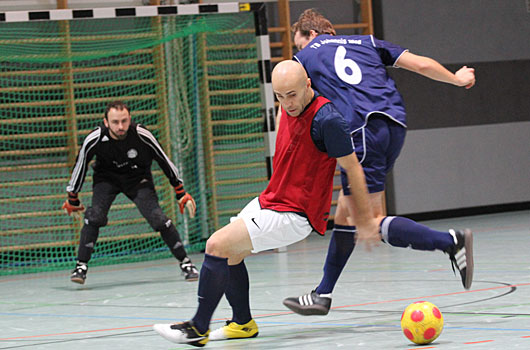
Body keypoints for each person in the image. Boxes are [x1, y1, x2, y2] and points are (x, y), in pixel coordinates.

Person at [152, 60, 379, 347]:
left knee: (216, 246)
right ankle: (242, 323)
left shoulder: (328, 120)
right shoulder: (285, 108)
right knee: (231, 255)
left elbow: (353, 168)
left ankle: (198, 328)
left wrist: (366, 218)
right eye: (280, 96)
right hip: (270, 201)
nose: (286, 103)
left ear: (308, 85)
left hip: (295, 214)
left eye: (292, 95)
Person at [282, 9, 476, 316]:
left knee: (368, 222)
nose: (299, 50)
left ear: (311, 36)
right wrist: (457, 79)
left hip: (360, 132)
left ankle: (450, 241)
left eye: (299, 43)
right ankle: (323, 294)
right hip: (394, 125)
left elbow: (291, 92)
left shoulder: (305, 57)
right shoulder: (367, 41)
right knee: (347, 214)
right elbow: (421, 64)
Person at [62, 101, 199, 284]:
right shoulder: (94, 138)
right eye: (115, 122)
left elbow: (163, 159)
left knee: (158, 218)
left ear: (130, 119)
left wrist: (180, 192)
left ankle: (186, 263)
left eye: (124, 121)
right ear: (106, 122)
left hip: (138, 180)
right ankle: (81, 267)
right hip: (106, 180)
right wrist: (72, 197)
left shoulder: (142, 135)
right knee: (94, 216)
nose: (120, 127)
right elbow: (80, 165)